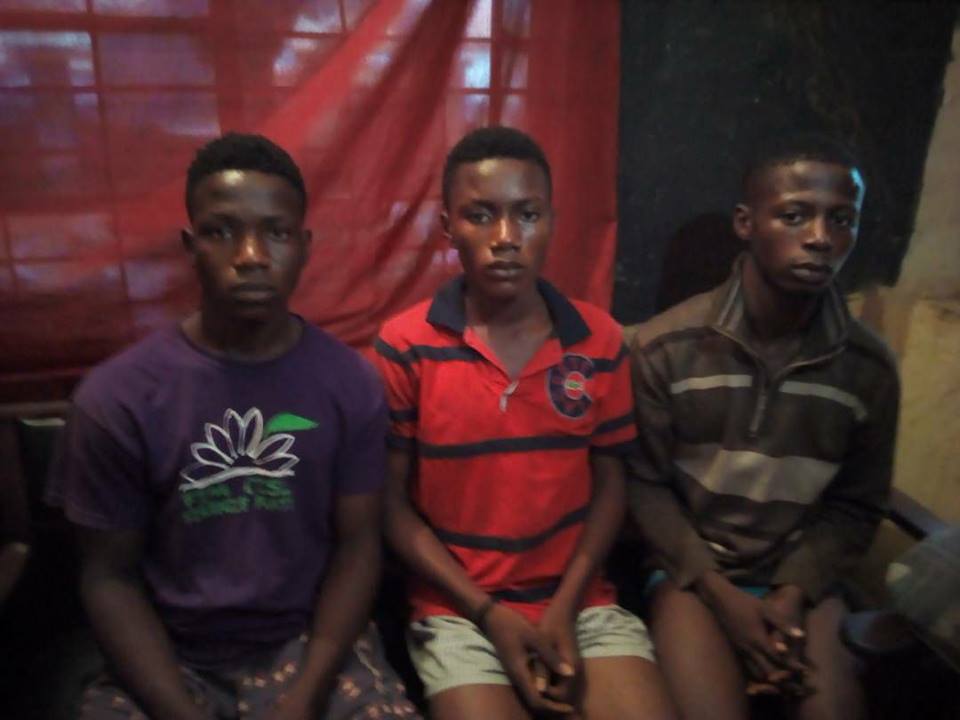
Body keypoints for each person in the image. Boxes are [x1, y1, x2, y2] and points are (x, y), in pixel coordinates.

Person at [47, 133, 420, 720]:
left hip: (311, 647)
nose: (250, 255)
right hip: (170, 655)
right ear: (190, 247)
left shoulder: (350, 384)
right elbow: (108, 577)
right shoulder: (116, 399)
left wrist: (305, 696)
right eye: (222, 231)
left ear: (304, 247)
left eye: (276, 233)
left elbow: (357, 546)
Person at [374, 126, 676, 720]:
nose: (506, 238)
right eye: (481, 216)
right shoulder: (406, 346)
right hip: (458, 611)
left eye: (527, 215)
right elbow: (391, 506)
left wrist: (565, 605)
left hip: (580, 601)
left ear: (552, 222)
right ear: (448, 227)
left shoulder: (598, 340)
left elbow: (610, 486)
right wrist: (487, 613)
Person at [625, 135, 900, 720]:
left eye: (841, 220)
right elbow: (644, 485)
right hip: (694, 574)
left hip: (802, 579)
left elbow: (856, 504)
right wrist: (718, 592)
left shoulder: (868, 368)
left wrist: (793, 591)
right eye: (794, 216)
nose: (820, 238)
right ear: (746, 224)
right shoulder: (668, 347)